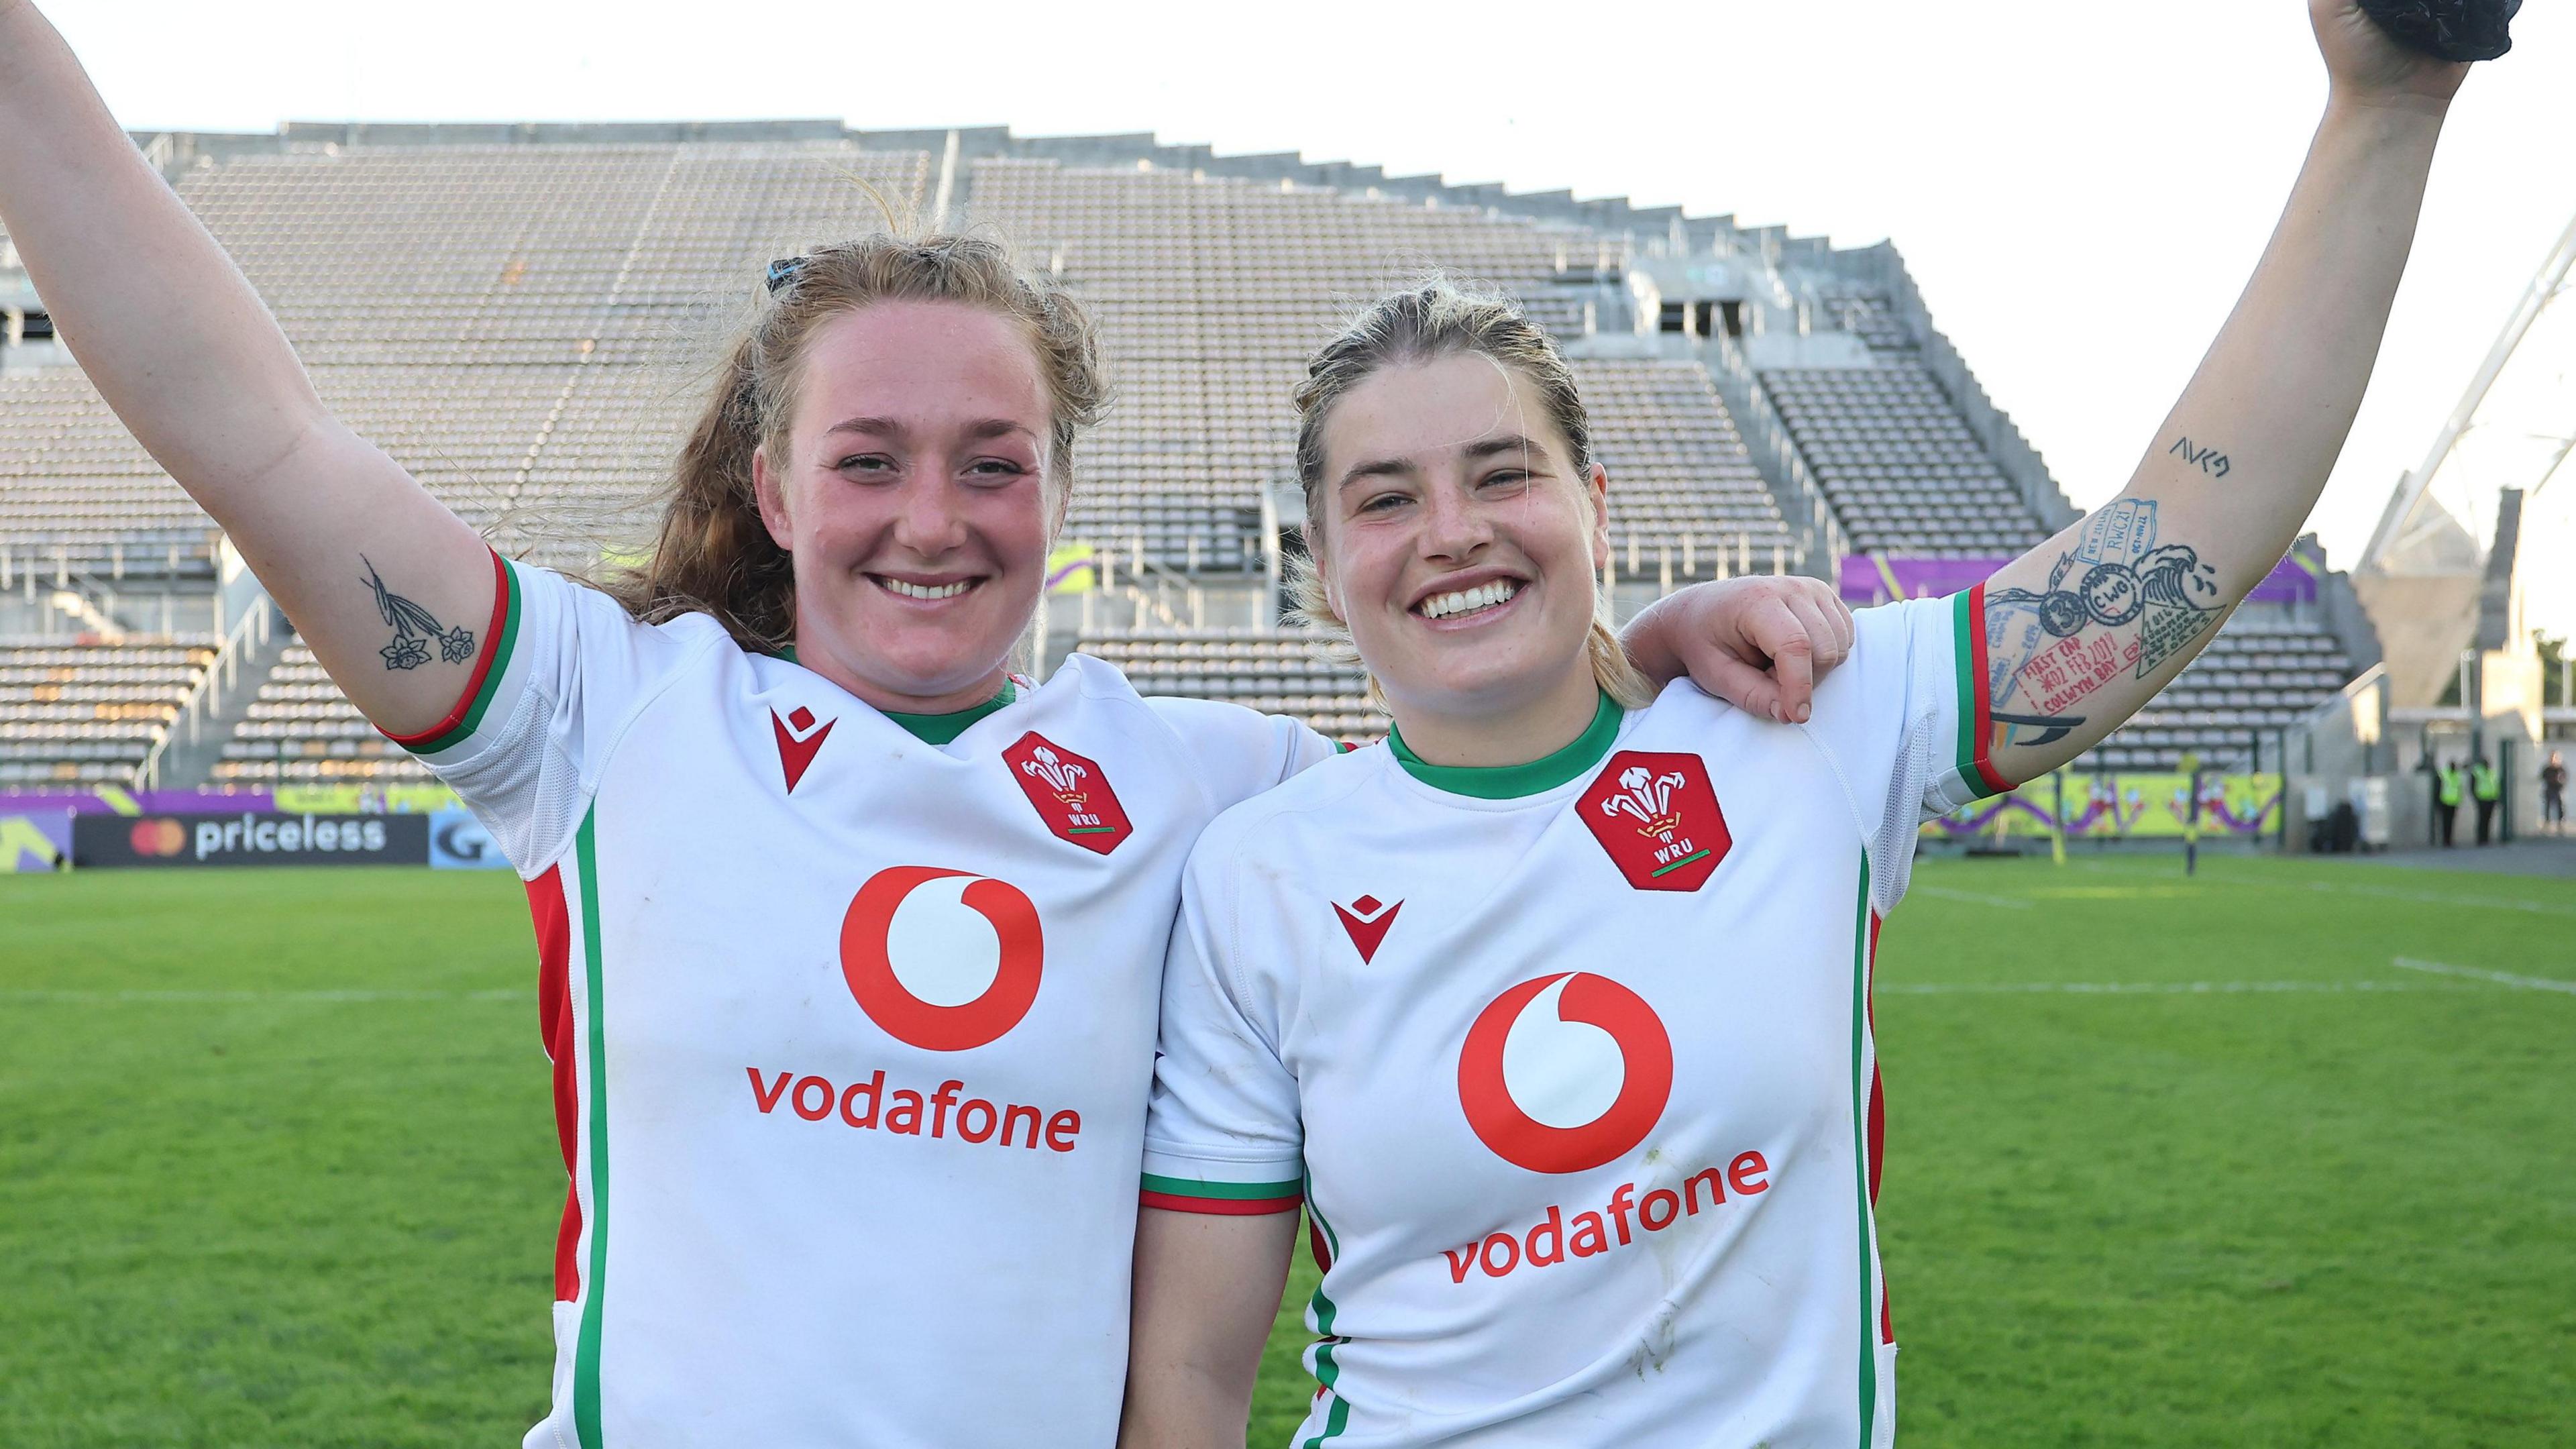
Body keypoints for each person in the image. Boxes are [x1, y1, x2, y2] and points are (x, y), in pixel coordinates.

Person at [0, 5, 1856, 1442]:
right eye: (869, 461)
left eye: (996, 462)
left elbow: (1491, 763)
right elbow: (249, 431)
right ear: (780, 490)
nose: (935, 518)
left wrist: (1642, 640)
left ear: (1060, 495)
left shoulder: (1216, 786)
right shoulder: (601, 717)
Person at [1120, 7, 2474, 1444]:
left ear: (1595, 506)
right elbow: (1197, 1372)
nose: (1452, 534)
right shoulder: (1256, 882)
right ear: (1322, 576)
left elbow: (2183, 541)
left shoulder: (1801, 725)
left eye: (1503, 474)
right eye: (1385, 498)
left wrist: (2384, 109)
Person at [2470, 751, 2502, 844]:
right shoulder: (2477, 772)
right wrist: (2476, 798)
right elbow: (2472, 786)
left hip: (2491, 799)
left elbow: (2496, 786)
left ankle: (2486, 838)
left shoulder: (2492, 773)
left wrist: (2497, 798)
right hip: (2482, 799)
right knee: (2481, 820)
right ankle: (2480, 839)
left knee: (2488, 819)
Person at [2436, 755, 2463, 846]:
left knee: (2451, 822)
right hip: (2445, 802)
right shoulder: (2444, 774)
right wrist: (2438, 802)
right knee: (2445, 822)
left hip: (2454, 802)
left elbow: (2459, 789)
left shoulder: (2457, 775)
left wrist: (2459, 800)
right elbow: (2438, 789)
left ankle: (2449, 840)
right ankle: (2445, 840)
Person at [2543, 750, 2567, 835]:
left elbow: (2564, 779)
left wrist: (2560, 783)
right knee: (2548, 806)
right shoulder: (2548, 769)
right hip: (2550, 789)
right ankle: (2547, 823)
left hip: (2558, 790)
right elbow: (2543, 777)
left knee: (2560, 807)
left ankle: (2560, 824)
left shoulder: (2561, 769)